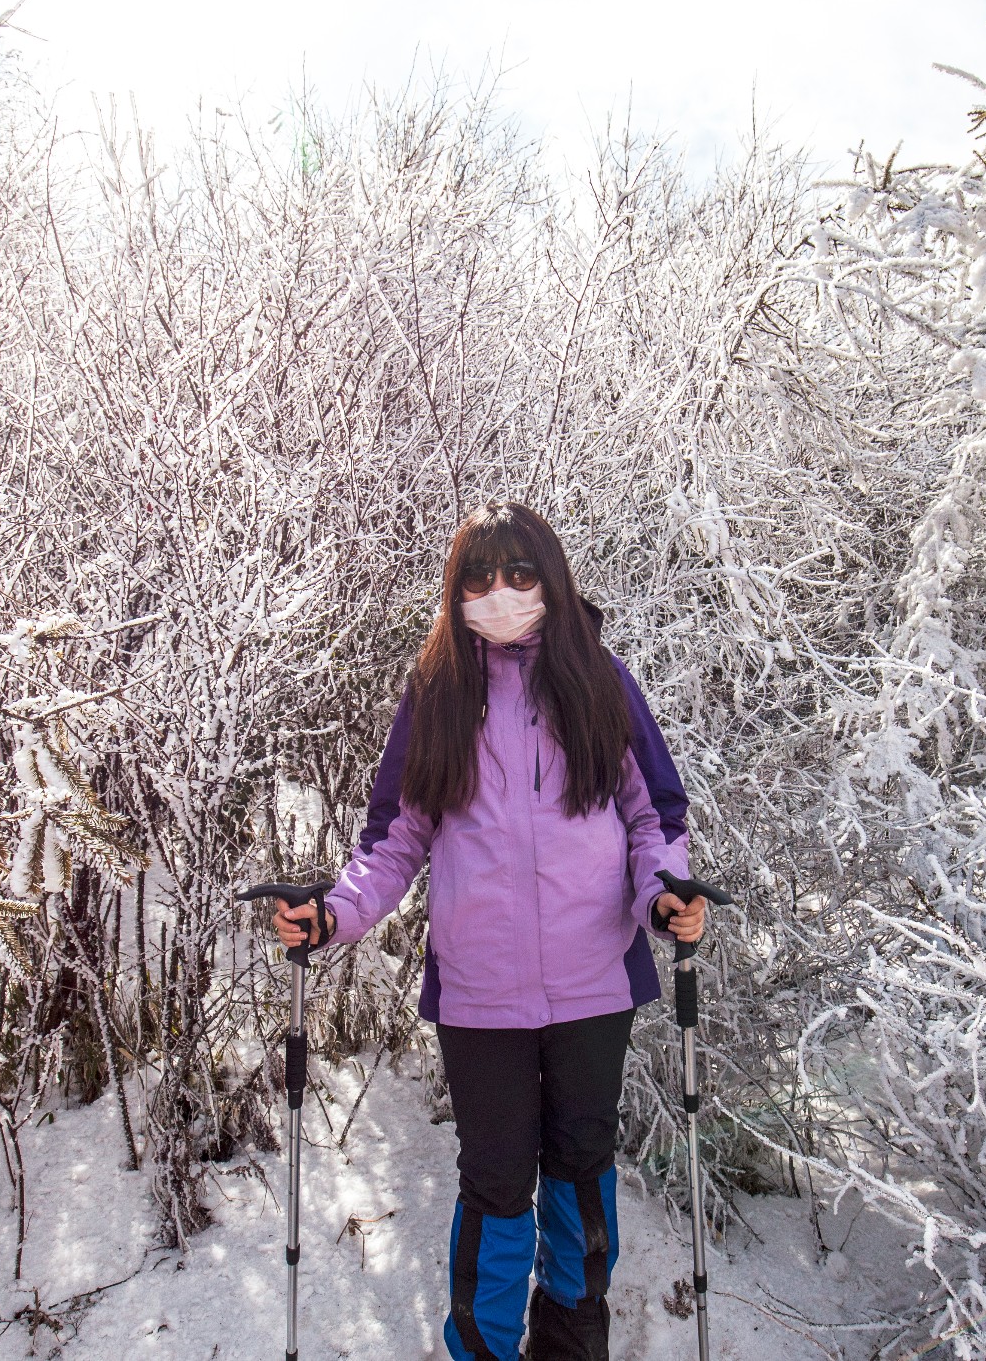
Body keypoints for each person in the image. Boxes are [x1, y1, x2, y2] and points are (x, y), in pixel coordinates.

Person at [269, 501, 708, 1361]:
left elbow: (653, 813)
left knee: (581, 1179)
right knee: (498, 1187)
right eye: (479, 577)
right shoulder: (439, 692)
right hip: (480, 995)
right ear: (457, 589)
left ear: (549, 578)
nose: (499, 592)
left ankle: (572, 1349)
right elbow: (394, 839)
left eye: (518, 573)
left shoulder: (599, 680)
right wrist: (332, 914)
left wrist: (664, 897)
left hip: (594, 984)